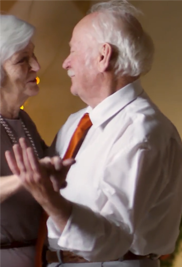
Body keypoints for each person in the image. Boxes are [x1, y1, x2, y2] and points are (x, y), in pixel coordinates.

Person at [6, 0, 182, 266]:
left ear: (103, 56)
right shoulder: (76, 123)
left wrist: (51, 199)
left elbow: (110, 242)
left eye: (73, 50)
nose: (65, 62)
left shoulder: (142, 132)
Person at [0, 14, 73, 267]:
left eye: (33, 55)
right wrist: (25, 178)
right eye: (22, 60)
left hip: (38, 256)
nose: (37, 66)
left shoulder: (23, 119)